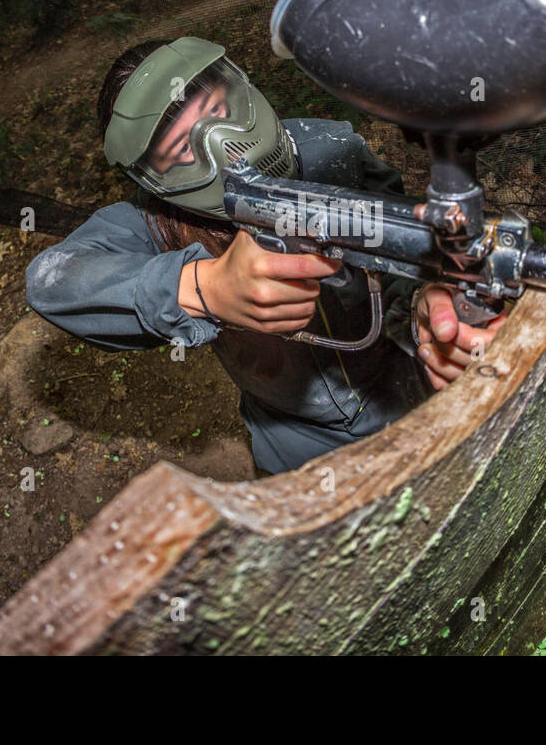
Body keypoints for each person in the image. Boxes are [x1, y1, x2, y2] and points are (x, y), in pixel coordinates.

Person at [25, 37, 506, 473]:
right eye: (183, 150)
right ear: (154, 179)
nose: (229, 146)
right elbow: (52, 281)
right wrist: (204, 288)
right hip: (299, 446)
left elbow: (405, 258)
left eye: (219, 111)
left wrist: (427, 313)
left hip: (407, 389)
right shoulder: (154, 221)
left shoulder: (332, 147)